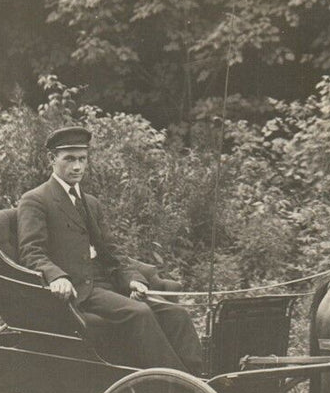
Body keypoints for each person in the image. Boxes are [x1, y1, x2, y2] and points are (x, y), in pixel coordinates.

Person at [16, 125, 207, 376]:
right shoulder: (36, 200)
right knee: (139, 313)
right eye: (69, 159)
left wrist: (133, 280)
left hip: (106, 283)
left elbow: (113, 252)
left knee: (176, 314)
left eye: (82, 159)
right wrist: (57, 276)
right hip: (80, 289)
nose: (77, 167)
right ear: (52, 159)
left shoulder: (90, 203)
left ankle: (201, 380)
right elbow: (31, 251)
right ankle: (175, 388)